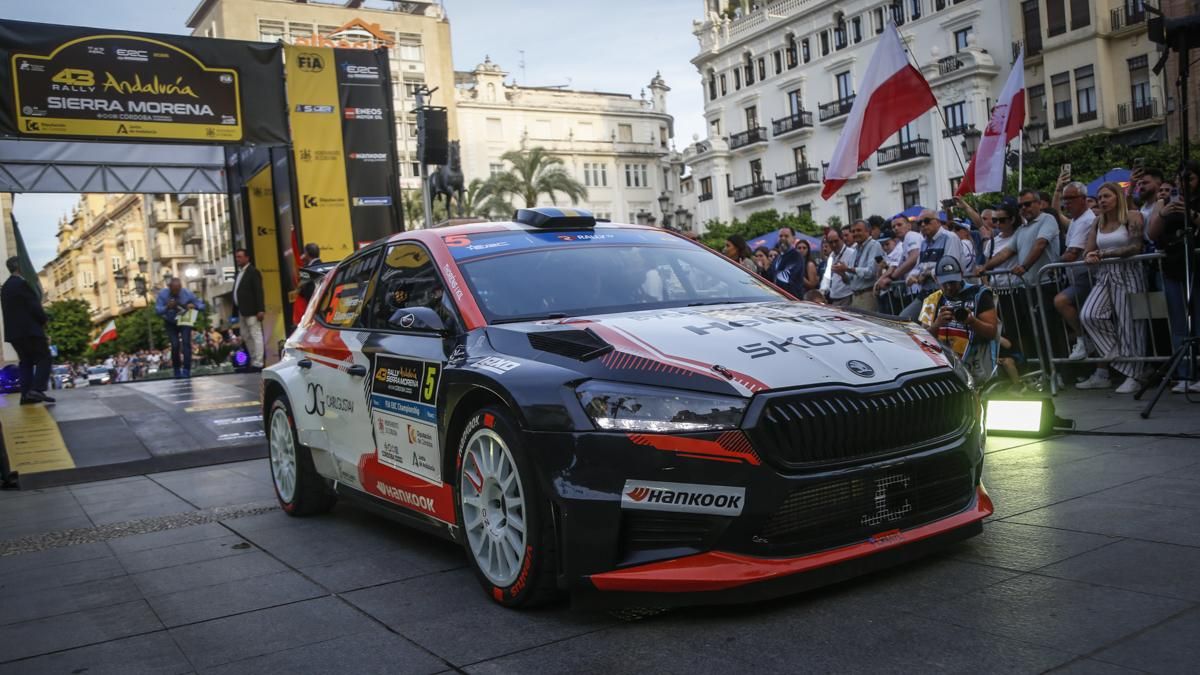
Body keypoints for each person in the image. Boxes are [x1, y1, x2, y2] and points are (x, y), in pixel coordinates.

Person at [1077, 182, 1148, 393]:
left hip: (1129, 272)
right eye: (1099, 198)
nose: (1102, 201)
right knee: (1089, 314)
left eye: (1106, 196)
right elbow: (1088, 249)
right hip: (1105, 274)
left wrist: (1104, 255)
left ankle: (1134, 374)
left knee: (1130, 324)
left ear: (1118, 196)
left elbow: (1136, 246)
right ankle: (1117, 354)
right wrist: (1089, 255)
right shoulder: (1098, 221)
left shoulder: (1133, 216)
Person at [1148, 160, 1200, 393]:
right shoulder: (1169, 203)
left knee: (1197, 321)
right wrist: (1162, 212)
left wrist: (1192, 214)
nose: (1183, 183)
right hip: (1173, 267)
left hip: (1196, 266)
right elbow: (1152, 234)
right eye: (1180, 179)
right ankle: (1184, 374)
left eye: (1188, 179)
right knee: (1179, 323)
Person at [919, 257, 999, 384]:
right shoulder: (931, 300)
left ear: (961, 275)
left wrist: (972, 321)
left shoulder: (980, 294)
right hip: (945, 366)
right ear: (936, 279)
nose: (949, 287)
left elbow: (992, 332)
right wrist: (937, 324)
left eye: (953, 282)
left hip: (977, 364)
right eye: (945, 283)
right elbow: (922, 339)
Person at [1, 256, 54, 405]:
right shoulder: (22, 285)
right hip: (30, 330)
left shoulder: (5, 287)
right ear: (19, 267)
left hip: (14, 333)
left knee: (26, 361)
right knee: (44, 357)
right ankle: (37, 389)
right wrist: (44, 320)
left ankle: (26, 395)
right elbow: (34, 307)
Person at [1055, 181, 1098, 361]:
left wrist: (1053, 263)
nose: (1066, 203)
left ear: (1083, 199)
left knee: (1061, 301)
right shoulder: (1075, 220)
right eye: (1064, 199)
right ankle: (1099, 371)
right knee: (1092, 323)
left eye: (1070, 199)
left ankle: (1083, 339)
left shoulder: (1086, 220)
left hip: (1088, 277)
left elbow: (1072, 254)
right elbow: (1056, 212)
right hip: (1077, 277)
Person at [899, 209, 964, 320]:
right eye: (920, 223)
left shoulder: (950, 237)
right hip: (927, 294)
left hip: (947, 293)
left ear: (938, 222)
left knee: (935, 326)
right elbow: (919, 267)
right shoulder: (924, 243)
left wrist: (927, 274)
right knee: (904, 319)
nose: (923, 225)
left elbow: (949, 267)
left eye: (927, 221)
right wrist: (911, 277)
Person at [155, 277, 205, 378]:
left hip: (184, 321)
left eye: (178, 290)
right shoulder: (163, 294)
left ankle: (186, 369)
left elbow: (202, 306)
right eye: (174, 290)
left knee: (186, 343)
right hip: (170, 322)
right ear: (169, 288)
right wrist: (167, 307)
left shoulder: (187, 293)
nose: (176, 293)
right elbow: (157, 310)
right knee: (175, 345)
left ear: (181, 287)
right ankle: (177, 369)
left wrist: (194, 306)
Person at [233, 248, 266, 370]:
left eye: (240, 257)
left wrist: (260, 309)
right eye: (237, 257)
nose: (238, 259)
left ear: (247, 258)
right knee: (245, 336)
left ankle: (259, 362)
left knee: (255, 334)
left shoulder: (253, 272)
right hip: (242, 310)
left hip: (252, 310)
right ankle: (253, 360)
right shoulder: (239, 273)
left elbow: (258, 291)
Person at [841, 219, 883, 311]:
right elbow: (849, 279)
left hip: (868, 296)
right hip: (855, 297)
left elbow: (871, 272)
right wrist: (841, 273)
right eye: (853, 231)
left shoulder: (874, 245)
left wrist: (848, 269)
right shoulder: (855, 250)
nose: (855, 233)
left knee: (869, 325)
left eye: (858, 230)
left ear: (868, 231)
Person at [822, 228, 855, 306]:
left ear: (842, 239)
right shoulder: (832, 255)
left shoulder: (852, 253)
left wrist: (842, 274)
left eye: (836, 241)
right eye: (831, 242)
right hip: (834, 298)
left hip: (847, 297)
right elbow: (827, 277)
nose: (834, 244)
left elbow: (853, 278)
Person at [293, 242, 322, 325]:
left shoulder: (308, 270)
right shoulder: (323, 265)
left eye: (304, 252)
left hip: (311, 308)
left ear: (306, 254)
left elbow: (305, 291)